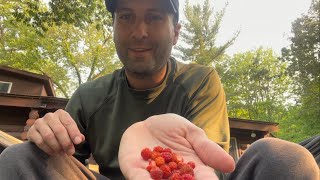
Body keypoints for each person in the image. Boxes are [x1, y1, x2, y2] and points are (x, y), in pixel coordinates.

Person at [0, 0, 319, 179]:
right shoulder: (89, 95)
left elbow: (206, 164)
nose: (139, 32)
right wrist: (48, 134)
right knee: (19, 157)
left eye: (153, 17)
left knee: (285, 157)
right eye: (126, 17)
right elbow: (61, 163)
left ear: (176, 32)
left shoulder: (201, 80)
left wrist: (172, 166)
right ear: (113, 27)